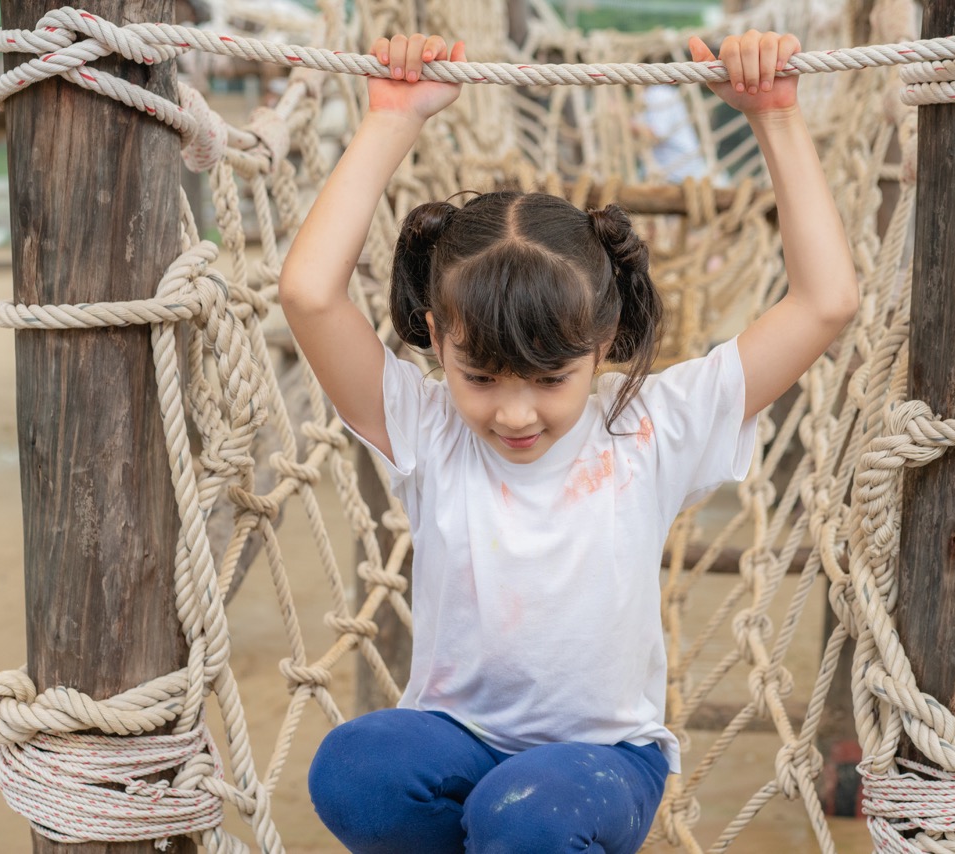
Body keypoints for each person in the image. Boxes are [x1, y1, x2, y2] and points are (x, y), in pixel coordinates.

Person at [279, 29, 857, 854]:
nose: (516, 414)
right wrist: (391, 118)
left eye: (550, 380)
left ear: (604, 339)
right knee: (354, 770)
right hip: (460, 742)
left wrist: (775, 116)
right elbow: (307, 292)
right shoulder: (427, 426)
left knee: (532, 817)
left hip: (601, 764)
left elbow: (824, 302)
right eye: (481, 377)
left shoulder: (650, 426)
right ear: (437, 339)